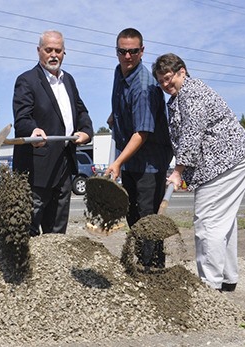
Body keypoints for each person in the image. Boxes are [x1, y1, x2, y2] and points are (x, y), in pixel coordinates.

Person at [152, 53, 245, 292]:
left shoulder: (191, 93)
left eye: (169, 78)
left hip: (225, 161)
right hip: (228, 160)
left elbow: (191, 134)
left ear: (182, 72)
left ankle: (210, 287)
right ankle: (227, 280)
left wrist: (178, 171)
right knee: (223, 222)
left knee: (208, 222)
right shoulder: (181, 96)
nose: (166, 85)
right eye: (161, 82)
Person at [13, 30, 93, 237]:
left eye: (58, 50)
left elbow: (81, 110)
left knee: (57, 231)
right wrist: (33, 130)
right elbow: (22, 118)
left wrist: (86, 131)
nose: (53, 55)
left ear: (64, 52)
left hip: (64, 165)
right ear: (39, 51)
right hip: (36, 170)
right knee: (28, 228)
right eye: (48, 50)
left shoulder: (69, 81)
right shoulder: (27, 80)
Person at [104, 28, 173, 269]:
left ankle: (153, 269)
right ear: (117, 52)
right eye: (123, 51)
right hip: (132, 159)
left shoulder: (143, 85)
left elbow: (142, 133)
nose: (128, 56)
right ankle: (142, 264)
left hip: (150, 162)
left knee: (147, 218)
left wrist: (117, 162)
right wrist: (117, 115)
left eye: (133, 51)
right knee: (133, 215)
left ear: (142, 51)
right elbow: (125, 103)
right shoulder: (119, 73)